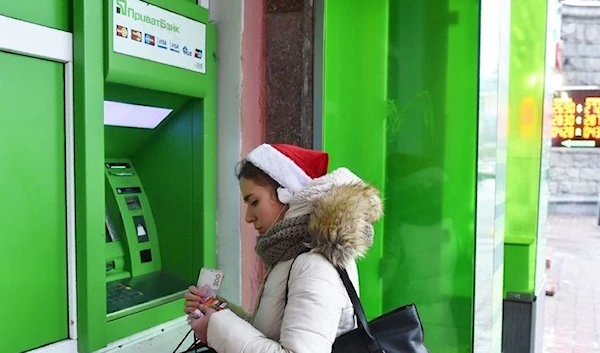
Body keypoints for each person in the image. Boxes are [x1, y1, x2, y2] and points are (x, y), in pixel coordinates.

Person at [184, 143, 383, 353]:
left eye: (254, 202)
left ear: (286, 193)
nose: (248, 217)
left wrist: (215, 327)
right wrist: (218, 312)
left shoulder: (315, 265)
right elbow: (267, 336)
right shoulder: (293, 255)